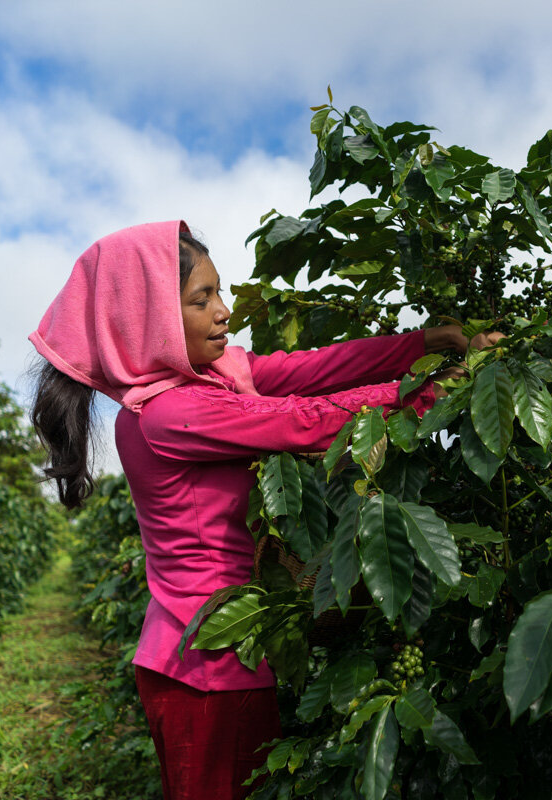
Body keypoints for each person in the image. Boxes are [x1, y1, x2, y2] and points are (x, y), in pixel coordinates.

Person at [29, 220, 494, 800]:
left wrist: (425, 343)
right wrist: (427, 394)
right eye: (202, 299)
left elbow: (309, 371)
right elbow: (303, 421)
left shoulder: (208, 381)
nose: (224, 311)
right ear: (153, 322)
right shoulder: (169, 413)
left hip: (209, 653)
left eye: (219, 291)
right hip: (207, 667)